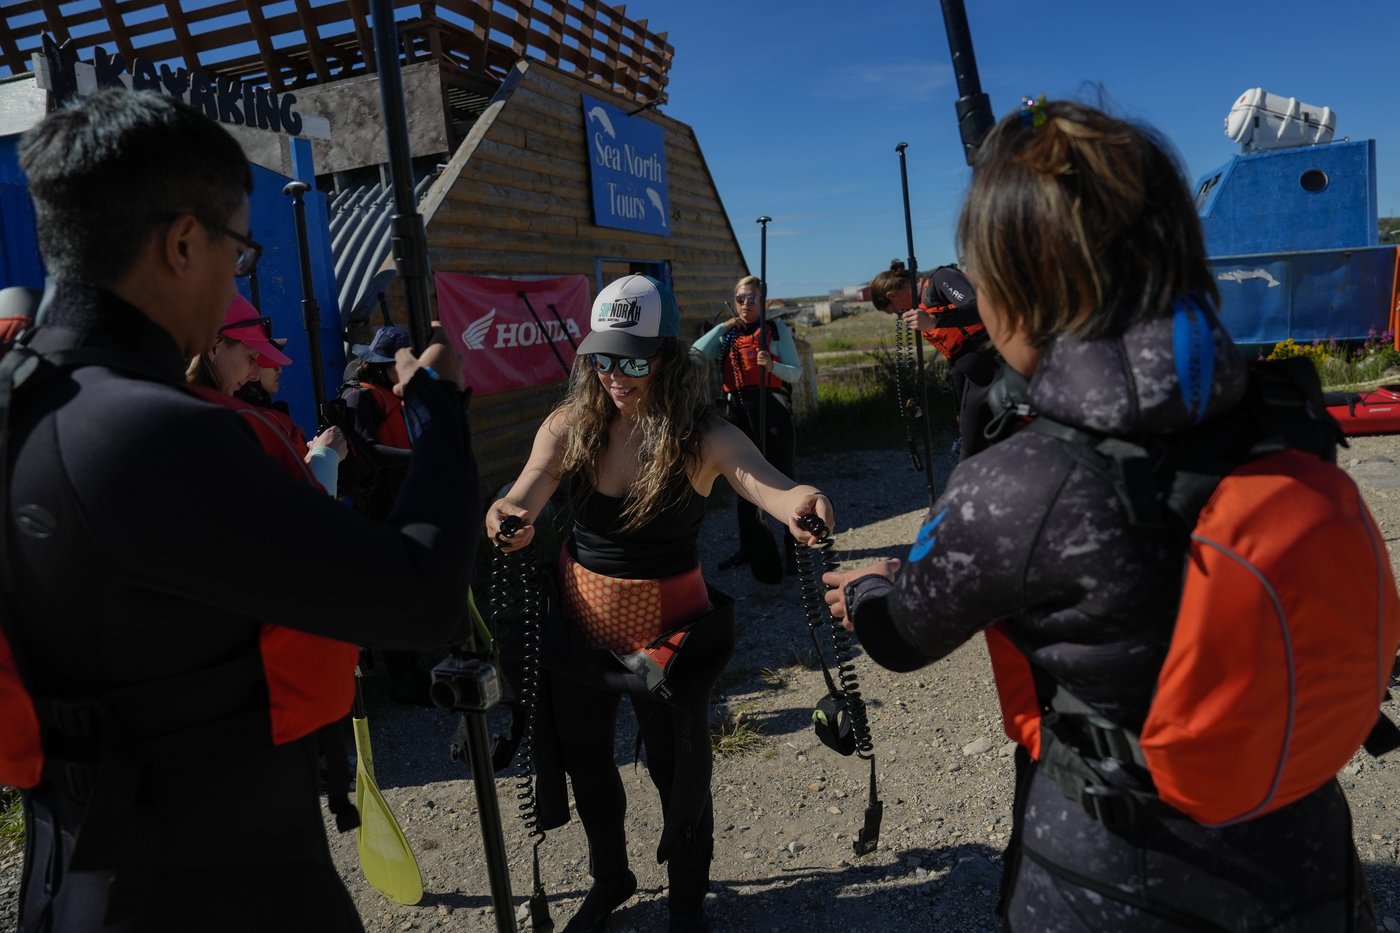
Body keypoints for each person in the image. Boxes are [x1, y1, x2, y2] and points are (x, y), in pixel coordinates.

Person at [825, 100, 1379, 931]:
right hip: (1306, 852)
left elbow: (901, 634)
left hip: (1112, 877)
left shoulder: (1016, 482)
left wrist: (872, 586)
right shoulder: (1280, 411)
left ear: (1023, 286)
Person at [2, 89, 479, 932]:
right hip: (212, 887)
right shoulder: (148, 434)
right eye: (240, 250)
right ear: (183, 241)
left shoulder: (26, 402)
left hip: (75, 873)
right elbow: (421, 596)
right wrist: (438, 412)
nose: (235, 277)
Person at [487, 273, 833, 933]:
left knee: (678, 771)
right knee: (587, 756)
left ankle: (684, 905)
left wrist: (798, 502)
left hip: (670, 635)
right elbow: (532, 482)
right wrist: (512, 511)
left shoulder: (699, 432)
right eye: (603, 357)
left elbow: (761, 478)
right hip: (582, 621)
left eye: (634, 358)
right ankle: (610, 878)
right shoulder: (570, 423)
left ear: (667, 355)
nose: (616, 374)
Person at [337, 323, 432, 705]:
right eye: (404, 362)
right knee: (395, 597)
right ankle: (403, 683)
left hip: (403, 505)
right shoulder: (362, 399)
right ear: (383, 364)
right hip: (380, 511)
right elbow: (369, 451)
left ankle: (413, 673)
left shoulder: (392, 393)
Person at [692, 274, 803, 574]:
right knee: (743, 484)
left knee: (782, 478)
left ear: (762, 301)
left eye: (752, 299)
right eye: (740, 299)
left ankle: (794, 551)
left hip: (773, 411)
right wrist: (722, 327)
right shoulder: (728, 336)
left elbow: (796, 373)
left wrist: (773, 365)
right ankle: (749, 548)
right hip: (737, 414)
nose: (745, 305)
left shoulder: (775, 330)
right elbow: (694, 356)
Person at [869, 260, 1006, 460]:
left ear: (892, 295)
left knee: (991, 442)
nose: (900, 316)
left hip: (996, 364)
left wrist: (935, 321)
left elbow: (978, 307)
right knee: (970, 447)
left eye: (895, 311)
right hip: (973, 376)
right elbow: (957, 357)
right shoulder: (921, 304)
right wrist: (958, 406)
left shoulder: (941, 279)